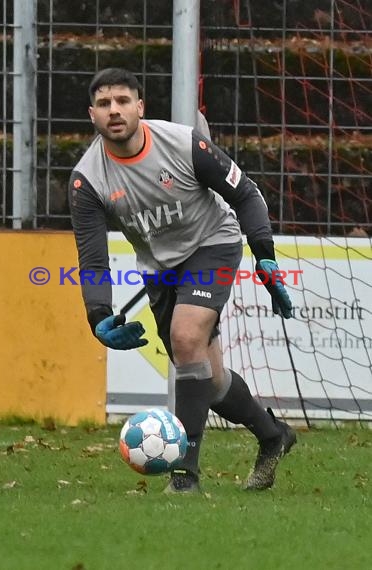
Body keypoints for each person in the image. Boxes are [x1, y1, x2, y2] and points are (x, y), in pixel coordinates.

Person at [69, 67, 296, 493]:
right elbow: (93, 258)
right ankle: (273, 436)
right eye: (104, 104)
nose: (114, 111)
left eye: (122, 101)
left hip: (214, 244)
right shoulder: (87, 179)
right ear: (92, 115)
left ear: (140, 107)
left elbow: (245, 194)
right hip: (161, 270)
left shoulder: (182, 144)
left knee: (186, 335)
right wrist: (97, 313)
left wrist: (264, 256)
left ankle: (184, 474)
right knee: (207, 380)